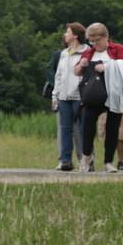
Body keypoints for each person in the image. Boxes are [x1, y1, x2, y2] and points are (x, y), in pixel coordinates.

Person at [75, 23, 123, 173]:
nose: (95, 44)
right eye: (91, 41)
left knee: (112, 128)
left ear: (106, 37)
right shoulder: (89, 52)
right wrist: (81, 65)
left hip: (113, 94)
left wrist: (107, 68)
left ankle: (108, 161)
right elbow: (76, 72)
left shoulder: (117, 49)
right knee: (87, 126)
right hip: (93, 95)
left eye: (97, 40)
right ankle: (86, 157)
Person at [53, 23, 88, 171]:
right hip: (64, 97)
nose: (64, 35)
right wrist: (55, 95)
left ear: (75, 35)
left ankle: (85, 160)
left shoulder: (87, 52)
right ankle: (65, 160)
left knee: (82, 129)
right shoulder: (64, 53)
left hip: (80, 96)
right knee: (65, 128)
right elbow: (59, 76)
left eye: (67, 32)